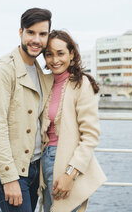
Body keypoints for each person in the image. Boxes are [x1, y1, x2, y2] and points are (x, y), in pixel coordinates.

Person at [0, 8, 54, 212]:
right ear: (20, 32)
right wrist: (9, 177)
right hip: (12, 168)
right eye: (31, 32)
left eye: (42, 34)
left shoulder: (41, 72)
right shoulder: (1, 69)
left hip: (35, 166)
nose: (36, 39)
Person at [39, 30, 107, 212]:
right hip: (42, 161)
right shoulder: (44, 83)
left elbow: (91, 136)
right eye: (49, 54)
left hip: (66, 161)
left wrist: (70, 173)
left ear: (71, 54)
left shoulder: (81, 84)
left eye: (61, 53)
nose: (55, 60)